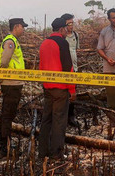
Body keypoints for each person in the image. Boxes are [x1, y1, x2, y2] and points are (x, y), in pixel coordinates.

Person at [38, 17, 76, 161]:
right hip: (60, 89)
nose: (68, 31)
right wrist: (72, 89)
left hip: (47, 88)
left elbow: (41, 66)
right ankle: (56, 154)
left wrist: (44, 84)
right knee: (59, 121)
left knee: (46, 120)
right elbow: (68, 68)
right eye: (66, 28)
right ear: (61, 29)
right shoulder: (62, 43)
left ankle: (42, 152)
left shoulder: (44, 43)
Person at [0, 17, 28, 157]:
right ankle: (4, 144)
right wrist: (1, 76)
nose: (24, 29)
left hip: (14, 82)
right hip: (11, 83)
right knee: (8, 114)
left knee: (7, 113)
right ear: (16, 26)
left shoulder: (14, 41)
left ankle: (2, 140)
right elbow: (4, 61)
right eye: (22, 27)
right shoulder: (10, 42)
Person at [61, 13, 80, 128]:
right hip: (63, 70)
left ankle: (71, 117)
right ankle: (62, 117)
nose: (71, 26)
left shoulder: (76, 36)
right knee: (63, 94)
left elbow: (76, 51)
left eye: (72, 23)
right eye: (69, 23)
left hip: (74, 69)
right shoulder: (61, 37)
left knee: (73, 94)